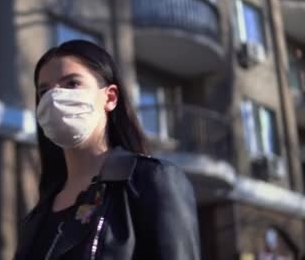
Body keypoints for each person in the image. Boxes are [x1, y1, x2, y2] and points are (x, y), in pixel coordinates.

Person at [14, 40, 200, 260]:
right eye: (44, 90)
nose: (54, 98)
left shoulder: (151, 182)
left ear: (110, 97)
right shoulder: (38, 215)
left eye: (72, 83)